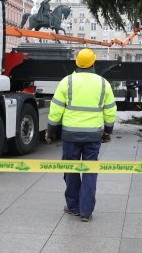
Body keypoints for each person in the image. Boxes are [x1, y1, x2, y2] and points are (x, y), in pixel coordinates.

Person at [46, 48, 116, 222]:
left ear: (77, 63)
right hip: (93, 135)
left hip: (70, 134)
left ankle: (73, 207)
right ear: (93, 63)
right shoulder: (103, 83)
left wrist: (50, 130)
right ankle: (86, 212)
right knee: (90, 171)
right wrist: (108, 131)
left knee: (71, 170)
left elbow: (56, 109)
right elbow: (110, 111)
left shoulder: (67, 82)